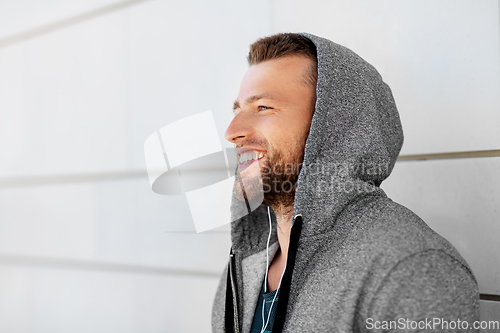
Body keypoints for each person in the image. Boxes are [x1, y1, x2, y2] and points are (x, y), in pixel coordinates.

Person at [212, 33, 479, 333]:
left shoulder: (411, 268)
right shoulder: (244, 268)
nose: (232, 132)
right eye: (237, 111)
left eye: (263, 107)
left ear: (332, 127)